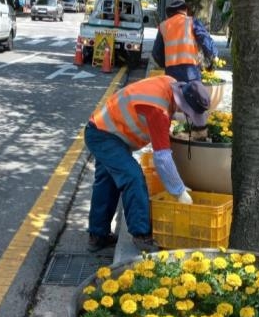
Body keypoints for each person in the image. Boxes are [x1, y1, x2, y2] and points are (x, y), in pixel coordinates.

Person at [85, 75, 211, 253]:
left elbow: (166, 111)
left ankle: (97, 236)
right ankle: (141, 234)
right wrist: (179, 191)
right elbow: (162, 159)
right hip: (103, 135)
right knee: (133, 177)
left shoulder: (169, 82)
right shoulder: (158, 111)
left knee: (107, 183)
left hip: (104, 127)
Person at [152, 0, 219, 82]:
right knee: (193, 94)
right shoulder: (192, 22)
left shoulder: (163, 26)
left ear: (170, 12)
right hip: (190, 72)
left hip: (171, 74)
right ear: (185, 10)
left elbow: (156, 53)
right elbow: (204, 39)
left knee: (174, 94)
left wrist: (165, 64)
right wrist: (212, 57)